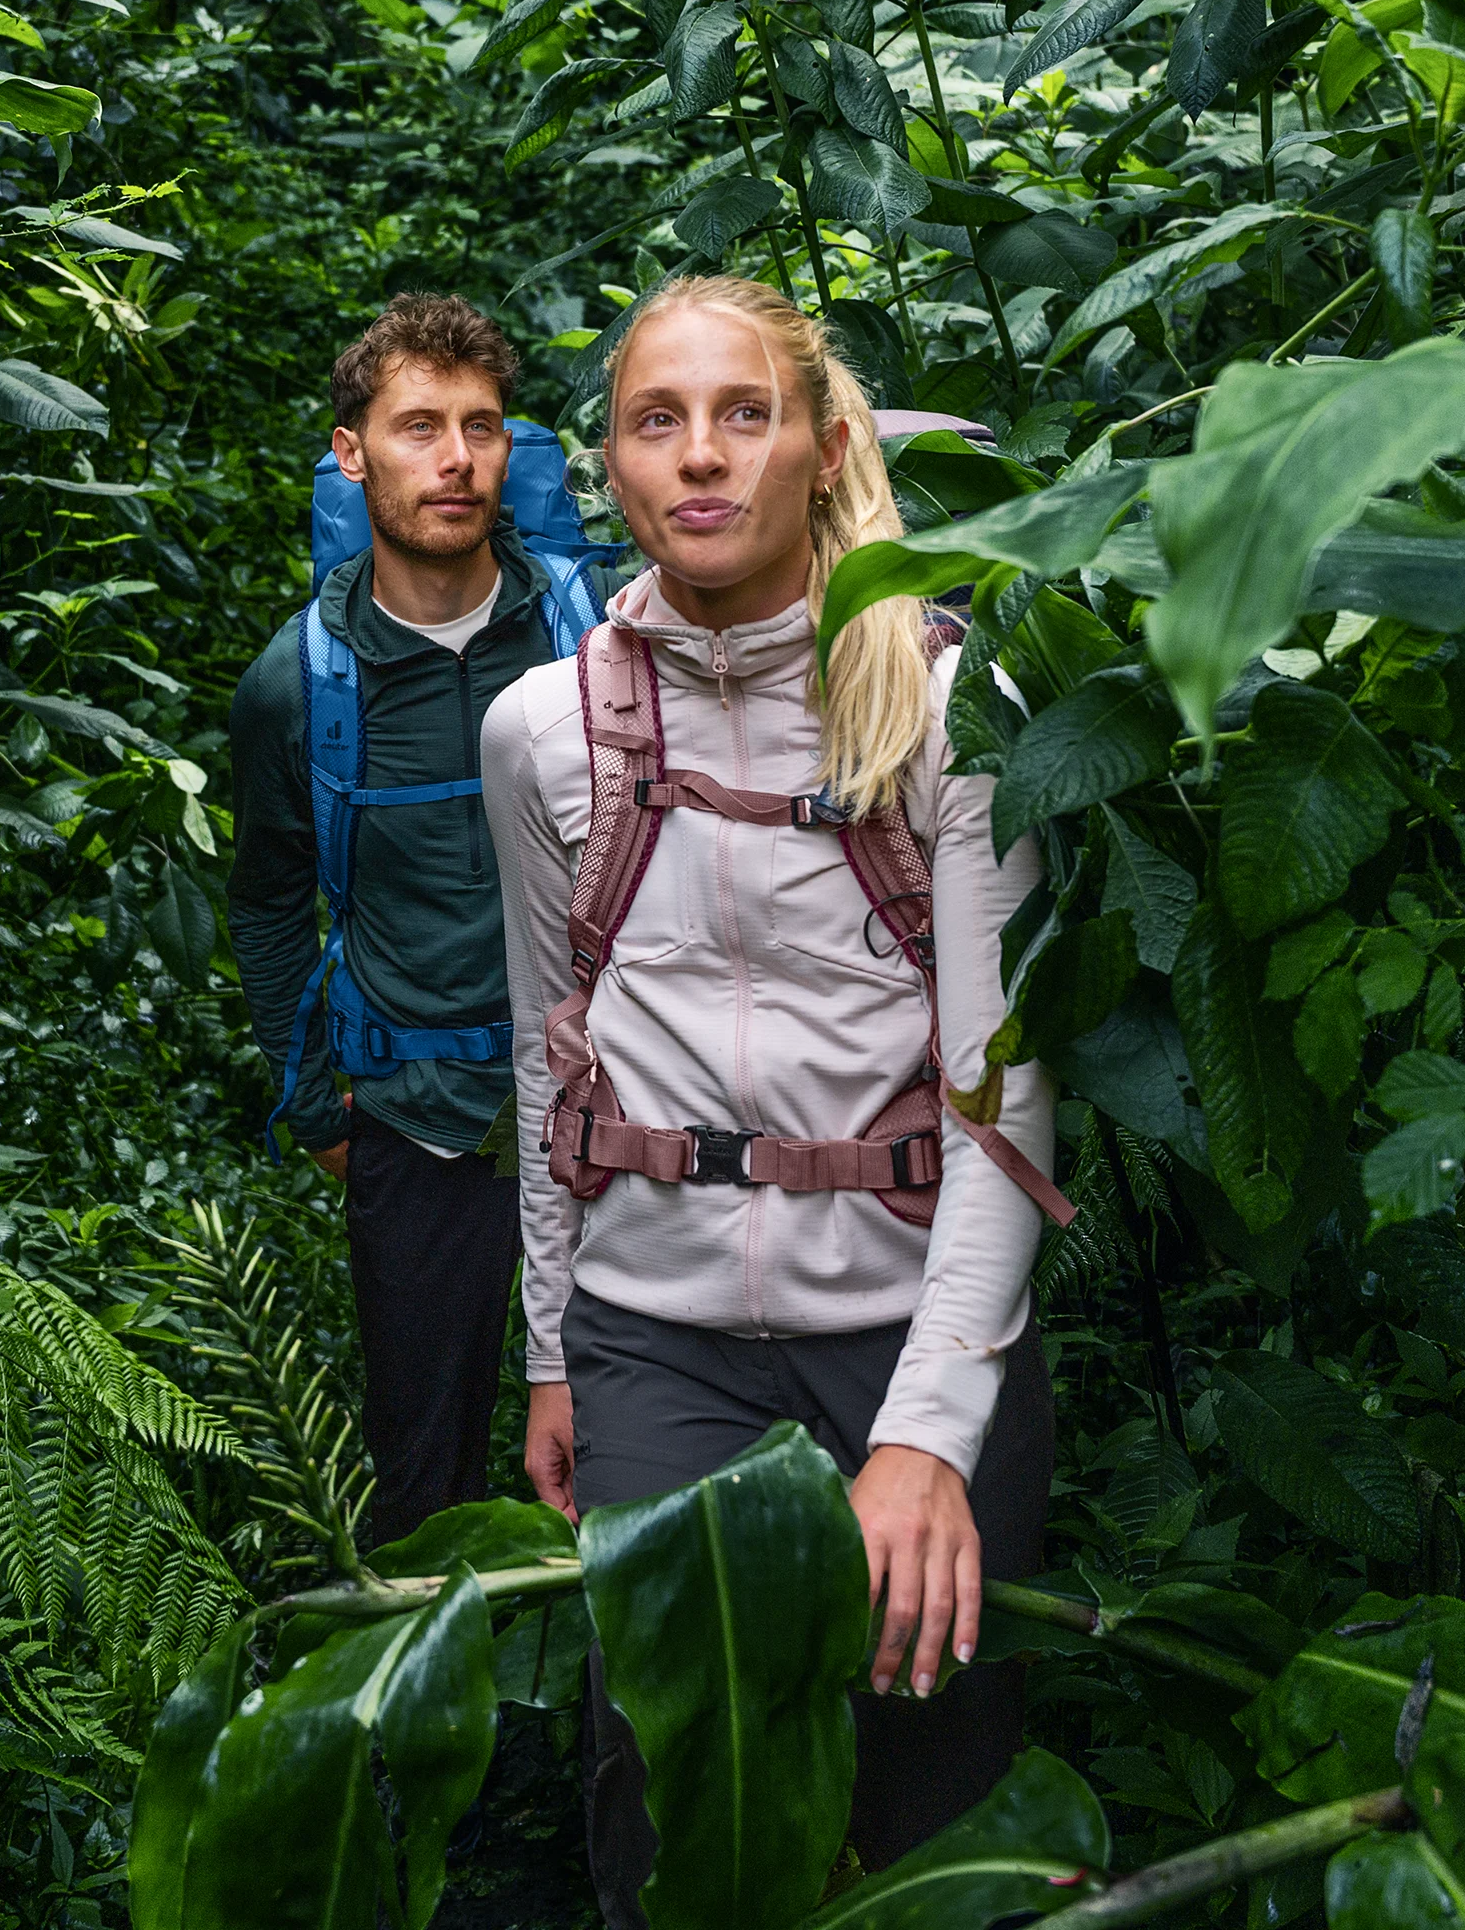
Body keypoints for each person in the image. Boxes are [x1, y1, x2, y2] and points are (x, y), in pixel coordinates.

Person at [480, 273, 1064, 1915]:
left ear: (821, 442)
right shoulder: (542, 730)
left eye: (745, 411)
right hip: (652, 1335)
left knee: (933, 1813)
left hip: (910, 1329)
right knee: (679, 1808)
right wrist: (548, 1343)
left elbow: (1003, 1106)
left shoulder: (945, 707)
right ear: (607, 460)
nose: (702, 454)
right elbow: (550, 1050)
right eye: (656, 419)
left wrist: (930, 1439)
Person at [226, 294, 593, 1552]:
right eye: (419, 426)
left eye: (480, 427)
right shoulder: (295, 683)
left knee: (626, 1454)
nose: (455, 459)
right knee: (423, 1480)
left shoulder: (592, 645)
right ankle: (446, 1734)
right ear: (350, 451)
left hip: (609, 1110)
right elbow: (270, 901)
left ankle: (610, 1729)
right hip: (416, 1123)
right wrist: (317, 1102)